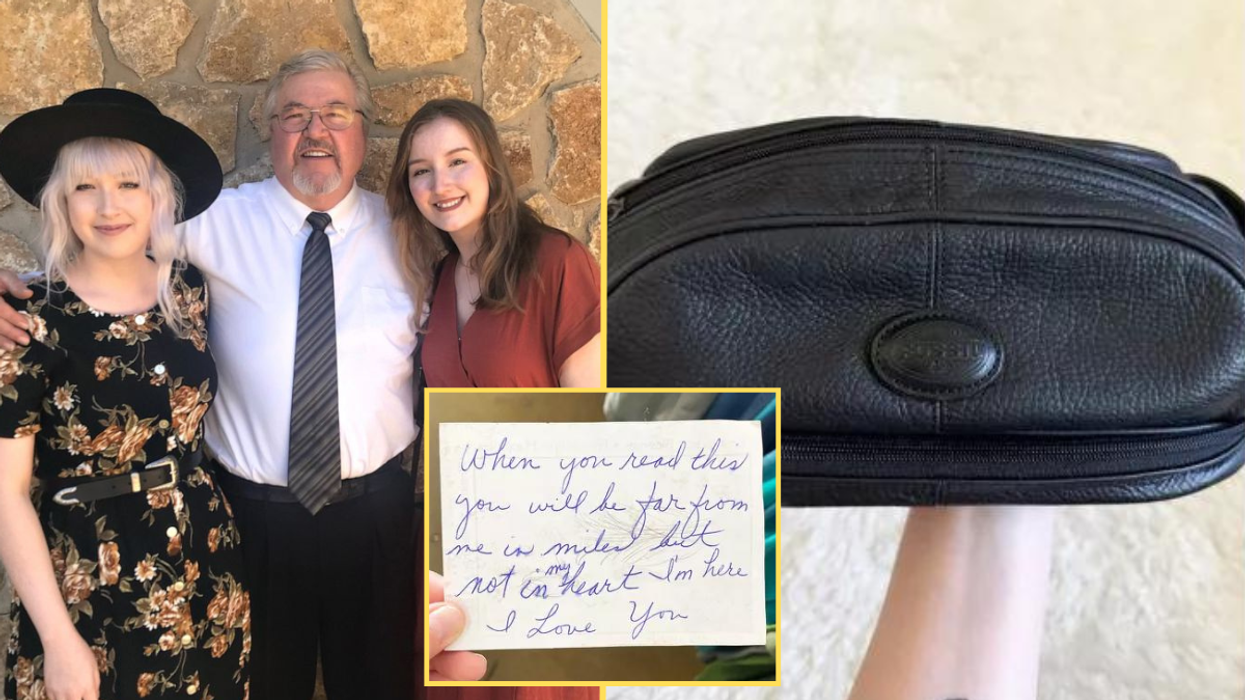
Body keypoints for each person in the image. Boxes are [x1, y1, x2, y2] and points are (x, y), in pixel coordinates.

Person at [0, 50, 418, 700]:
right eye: (293, 115)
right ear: (269, 129)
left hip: (356, 522)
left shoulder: (409, 235)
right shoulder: (210, 224)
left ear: (363, 127)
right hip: (237, 526)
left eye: (335, 113)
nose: (315, 131)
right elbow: (94, 266)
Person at [0, 89, 250, 700]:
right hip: (87, 581)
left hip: (205, 563)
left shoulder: (187, 290)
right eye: (86, 187)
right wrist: (58, 641)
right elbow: (5, 493)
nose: (109, 206)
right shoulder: (28, 321)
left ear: (159, 194)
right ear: (60, 199)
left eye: (128, 184)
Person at [385, 99, 601, 388]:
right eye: (421, 171)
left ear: (490, 167)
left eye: (457, 161)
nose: (440, 185)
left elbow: (590, 416)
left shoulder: (558, 262)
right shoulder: (441, 277)